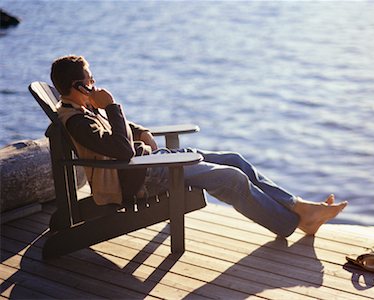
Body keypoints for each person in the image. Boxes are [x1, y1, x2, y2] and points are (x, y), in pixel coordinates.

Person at [50, 55, 347, 237]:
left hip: (149, 165)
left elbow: (122, 135)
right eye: (91, 79)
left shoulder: (86, 110)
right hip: (139, 177)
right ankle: (290, 223)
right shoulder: (76, 120)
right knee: (232, 179)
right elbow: (123, 150)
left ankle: (299, 208)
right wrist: (112, 105)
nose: (97, 83)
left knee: (234, 160)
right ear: (79, 87)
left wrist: (141, 132)